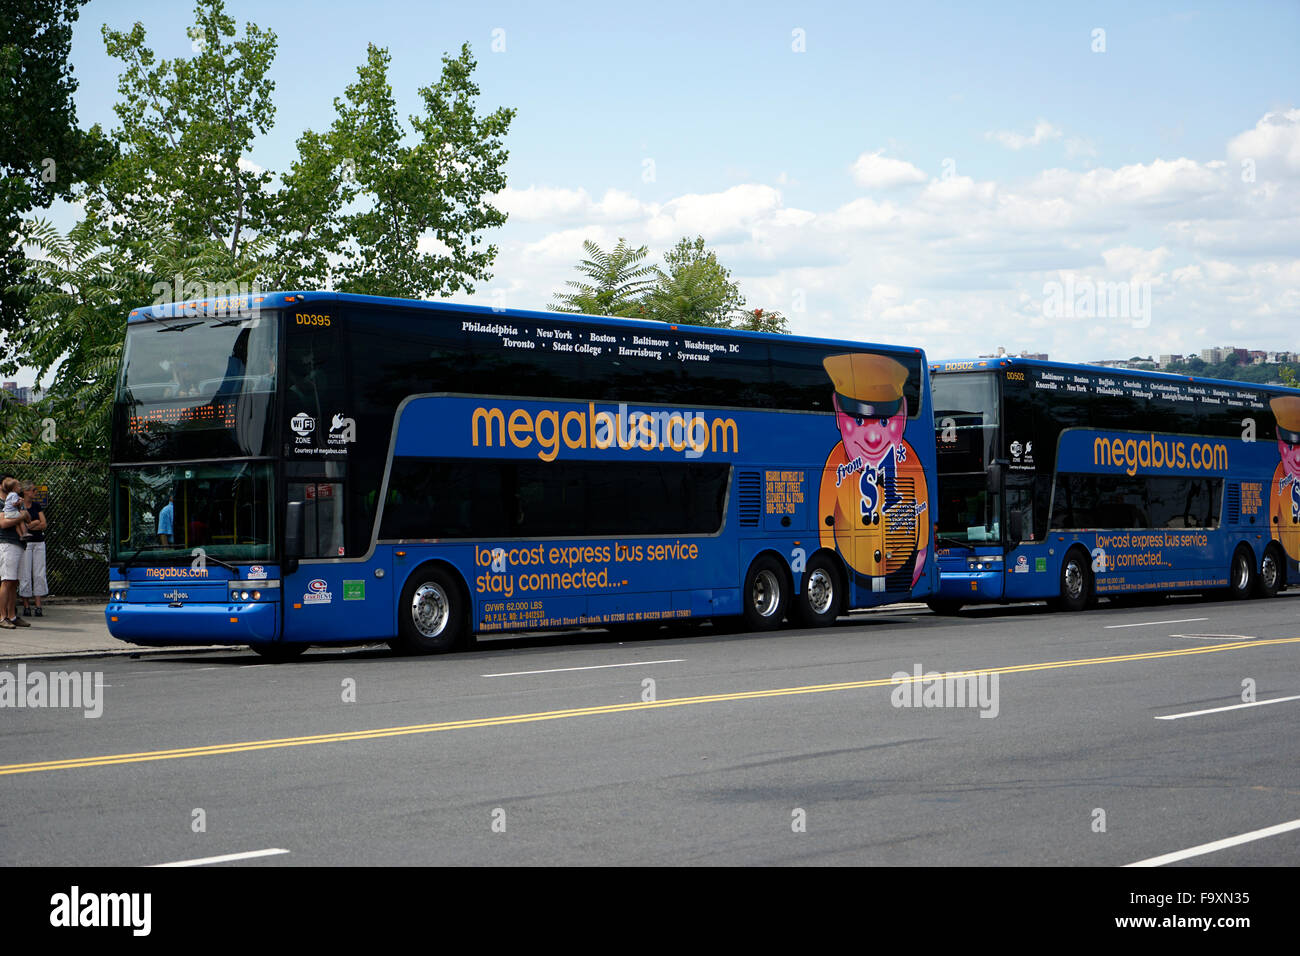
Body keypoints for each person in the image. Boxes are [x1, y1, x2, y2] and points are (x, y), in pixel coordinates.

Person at [0, 474, 30, 629]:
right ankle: (2, 616)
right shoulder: (1, 503)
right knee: (7, 580)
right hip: (7, 543)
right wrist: (21, 516)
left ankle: (12, 615)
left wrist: (22, 512)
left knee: (14, 581)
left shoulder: (14, 501)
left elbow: (27, 517)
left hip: (19, 544)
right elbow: (3, 523)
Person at [18, 481, 48, 617]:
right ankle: (26, 605)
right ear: (26, 492)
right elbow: (20, 524)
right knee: (25, 573)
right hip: (26, 544)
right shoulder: (20, 505)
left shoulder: (36, 506)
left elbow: (43, 524)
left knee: (39, 573)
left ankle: (38, 605)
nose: (35, 492)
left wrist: (31, 525)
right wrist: (33, 524)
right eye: (33, 490)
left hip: (38, 542)